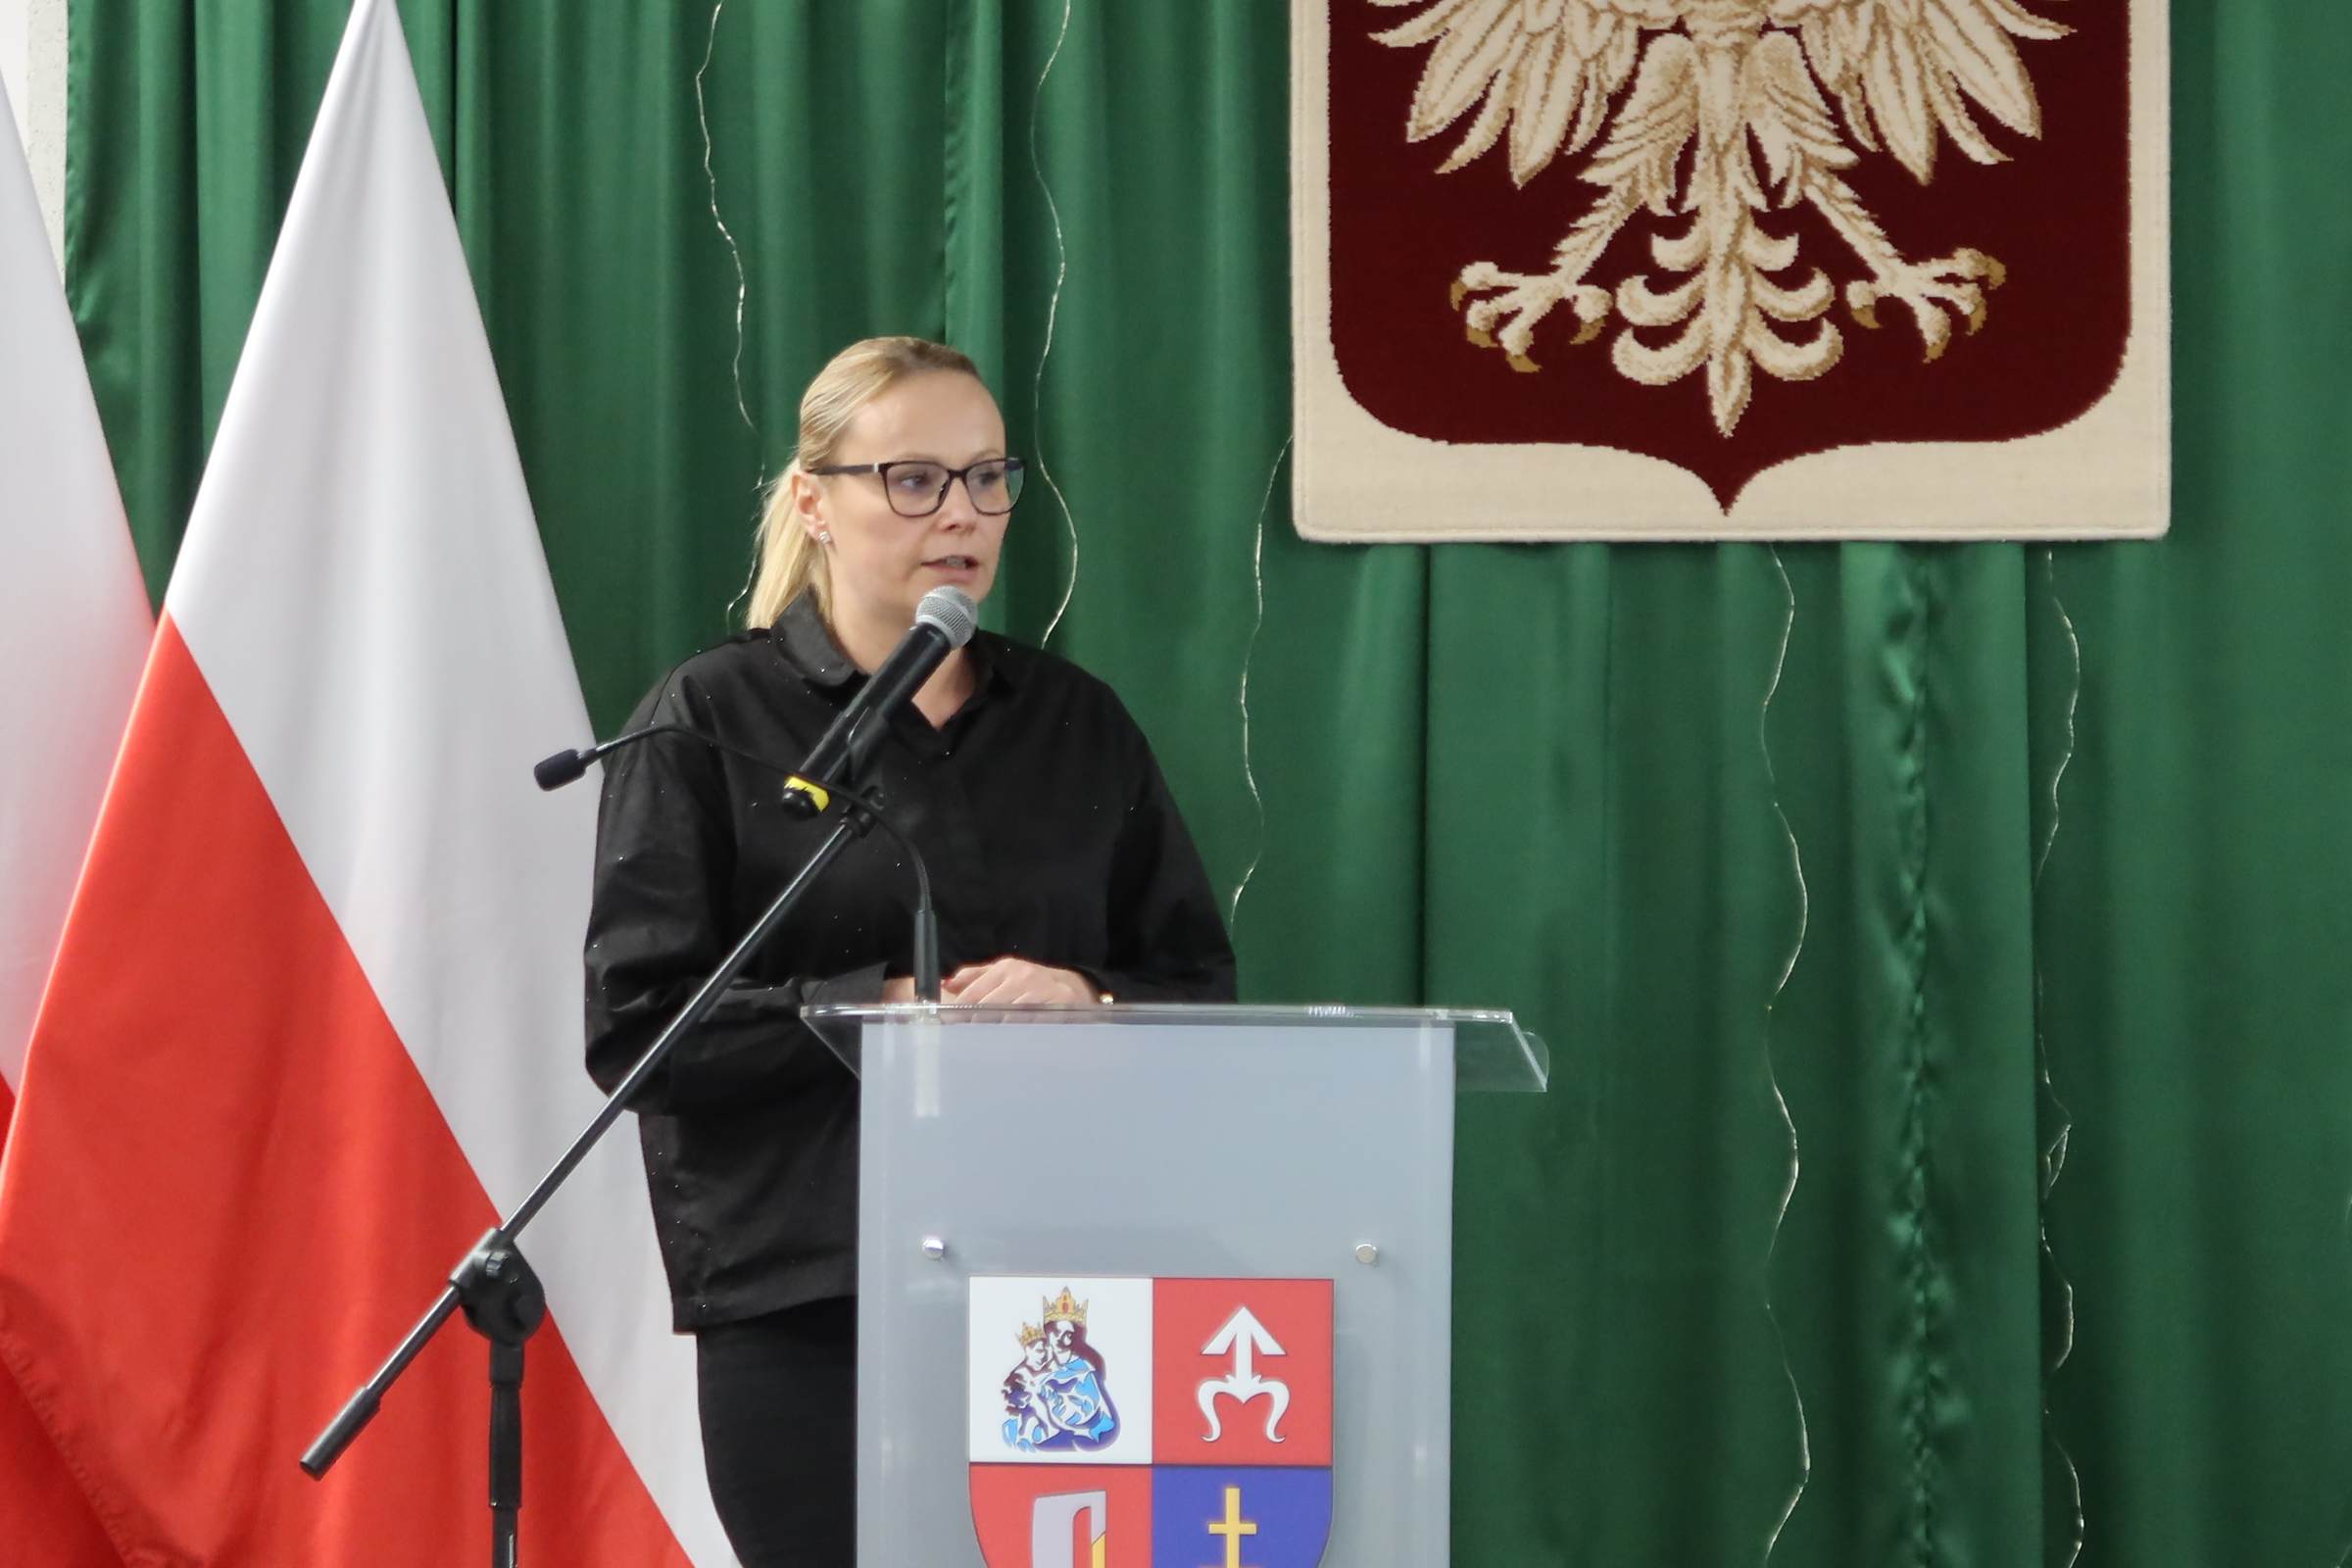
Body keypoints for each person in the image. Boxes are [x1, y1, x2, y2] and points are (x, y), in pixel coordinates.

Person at [583, 336, 1236, 1567]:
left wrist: (1089, 996)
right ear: (812, 501)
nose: (963, 514)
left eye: (988, 476)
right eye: (916, 479)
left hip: (1062, 1289)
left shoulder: (1077, 724)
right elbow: (641, 1030)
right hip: (811, 1297)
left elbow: (1199, 987)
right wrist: (883, 1008)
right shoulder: (711, 721)